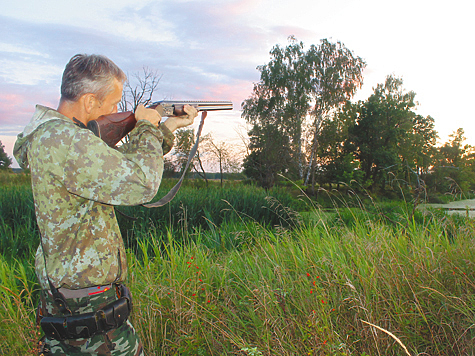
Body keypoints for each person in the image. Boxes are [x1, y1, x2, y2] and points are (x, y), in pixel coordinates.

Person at [14, 54, 198, 355]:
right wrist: (148, 127)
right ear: (88, 102)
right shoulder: (68, 141)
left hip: (70, 297)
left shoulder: (52, 136)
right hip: (89, 308)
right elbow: (141, 184)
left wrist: (168, 127)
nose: (116, 110)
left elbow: (116, 170)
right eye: (113, 103)